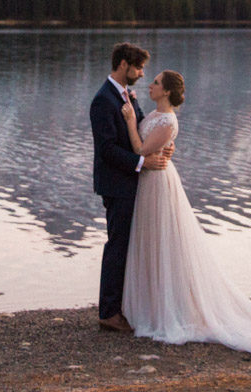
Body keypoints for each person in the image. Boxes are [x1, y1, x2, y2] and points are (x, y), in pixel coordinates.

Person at [119, 68, 251, 352]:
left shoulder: (168, 121)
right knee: (150, 242)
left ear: (166, 91)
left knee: (165, 241)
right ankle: (151, 306)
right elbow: (155, 146)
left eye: (156, 83)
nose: (150, 85)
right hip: (147, 181)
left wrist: (132, 122)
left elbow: (141, 150)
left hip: (157, 181)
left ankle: (171, 308)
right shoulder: (156, 116)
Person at [90, 42, 173, 332]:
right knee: (117, 246)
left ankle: (122, 306)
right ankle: (109, 313)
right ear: (123, 65)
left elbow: (138, 131)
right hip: (116, 184)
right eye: (138, 67)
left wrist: (161, 148)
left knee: (127, 246)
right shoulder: (103, 100)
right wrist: (142, 164)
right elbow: (107, 150)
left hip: (130, 182)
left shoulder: (125, 95)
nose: (140, 73)